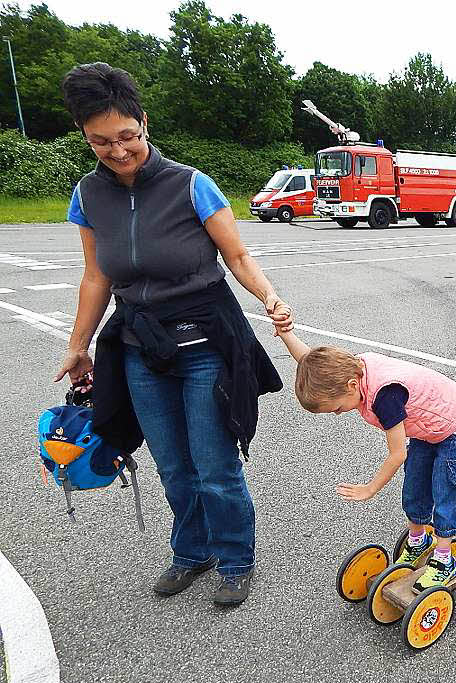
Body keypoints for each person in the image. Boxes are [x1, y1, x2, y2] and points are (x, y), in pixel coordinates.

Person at [56, 63, 292, 606]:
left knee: (214, 462)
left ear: (144, 123)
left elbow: (236, 255)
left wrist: (270, 299)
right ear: (84, 137)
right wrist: (78, 346)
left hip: (204, 342)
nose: (118, 151)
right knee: (171, 463)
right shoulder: (88, 197)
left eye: (127, 137)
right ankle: (192, 550)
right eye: (101, 141)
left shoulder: (191, 184)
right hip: (140, 343)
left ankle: (235, 557)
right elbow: (97, 275)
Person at [279, 330, 456, 593]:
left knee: (446, 489)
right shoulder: (344, 371)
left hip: (452, 425)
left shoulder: (386, 396)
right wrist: (286, 333)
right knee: (415, 485)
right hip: (424, 429)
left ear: (351, 386)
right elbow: (307, 360)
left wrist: (370, 488)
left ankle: (444, 559)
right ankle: (417, 540)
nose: (338, 414)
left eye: (337, 408)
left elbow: (397, 454)